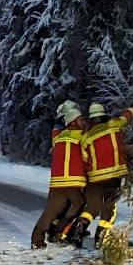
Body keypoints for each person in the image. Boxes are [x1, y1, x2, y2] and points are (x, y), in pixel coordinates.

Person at [71, 101, 133, 246]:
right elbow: (126, 116)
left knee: (92, 207)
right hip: (113, 177)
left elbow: (85, 159)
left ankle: (80, 229)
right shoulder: (113, 125)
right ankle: (101, 237)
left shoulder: (86, 137)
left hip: (94, 178)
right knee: (109, 208)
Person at [32, 101, 89, 249]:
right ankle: (59, 232)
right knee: (79, 205)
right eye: (80, 119)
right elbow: (87, 157)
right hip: (73, 181)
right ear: (73, 121)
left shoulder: (58, 137)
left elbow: (56, 131)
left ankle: (37, 240)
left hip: (57, 182)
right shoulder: (82, 136)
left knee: (50, 212)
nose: (83, 121)